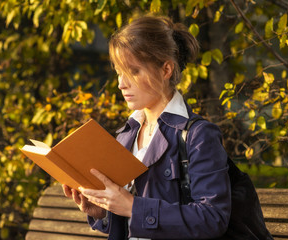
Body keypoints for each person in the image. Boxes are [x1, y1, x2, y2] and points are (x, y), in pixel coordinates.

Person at [62, 15, 231, 239]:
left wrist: (132, 206)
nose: (122, 84)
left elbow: (213, 218)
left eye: (133, 71)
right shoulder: (126, 134)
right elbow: (129, 223)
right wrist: (103, 212)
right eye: (119, 73)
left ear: (166, 70)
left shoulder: (197, 135)